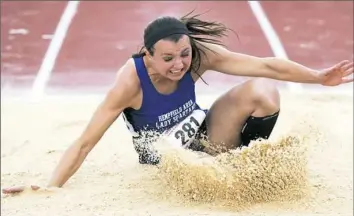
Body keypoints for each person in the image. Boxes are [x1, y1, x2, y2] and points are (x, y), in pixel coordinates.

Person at [3, 12, 353, 194]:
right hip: (168, 159)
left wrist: (318, 77)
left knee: (263, 90)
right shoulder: (130, 82)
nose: (180, 65)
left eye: (184, 54)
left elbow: (265, 65)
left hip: (205, 136)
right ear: (148, 56)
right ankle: (222, 171)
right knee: (185, 159)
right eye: (168, 58)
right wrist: (51, 187)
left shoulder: (196, 56)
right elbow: (84, 143)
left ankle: (245, 167)